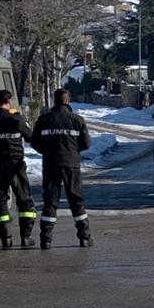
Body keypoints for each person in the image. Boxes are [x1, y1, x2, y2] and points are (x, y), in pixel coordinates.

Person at [31, 88, 93, 249]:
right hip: (71, 164)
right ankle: (84, 237)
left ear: (54, 101)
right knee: (76, 201)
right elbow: (86, 144)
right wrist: (72, 150)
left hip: (50, 164)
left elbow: (34, 142)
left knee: (50, 202)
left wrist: (47, 151)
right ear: (67, 101)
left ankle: (46, 239)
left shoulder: (44, 119)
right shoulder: (77, 120)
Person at [0, 89, 36, 248]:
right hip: (16, 166)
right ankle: (25, 237)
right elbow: (30, 137)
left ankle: (6, 238)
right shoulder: (16, 119)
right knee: (24, 200)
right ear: (9, 101)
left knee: (0, 200)